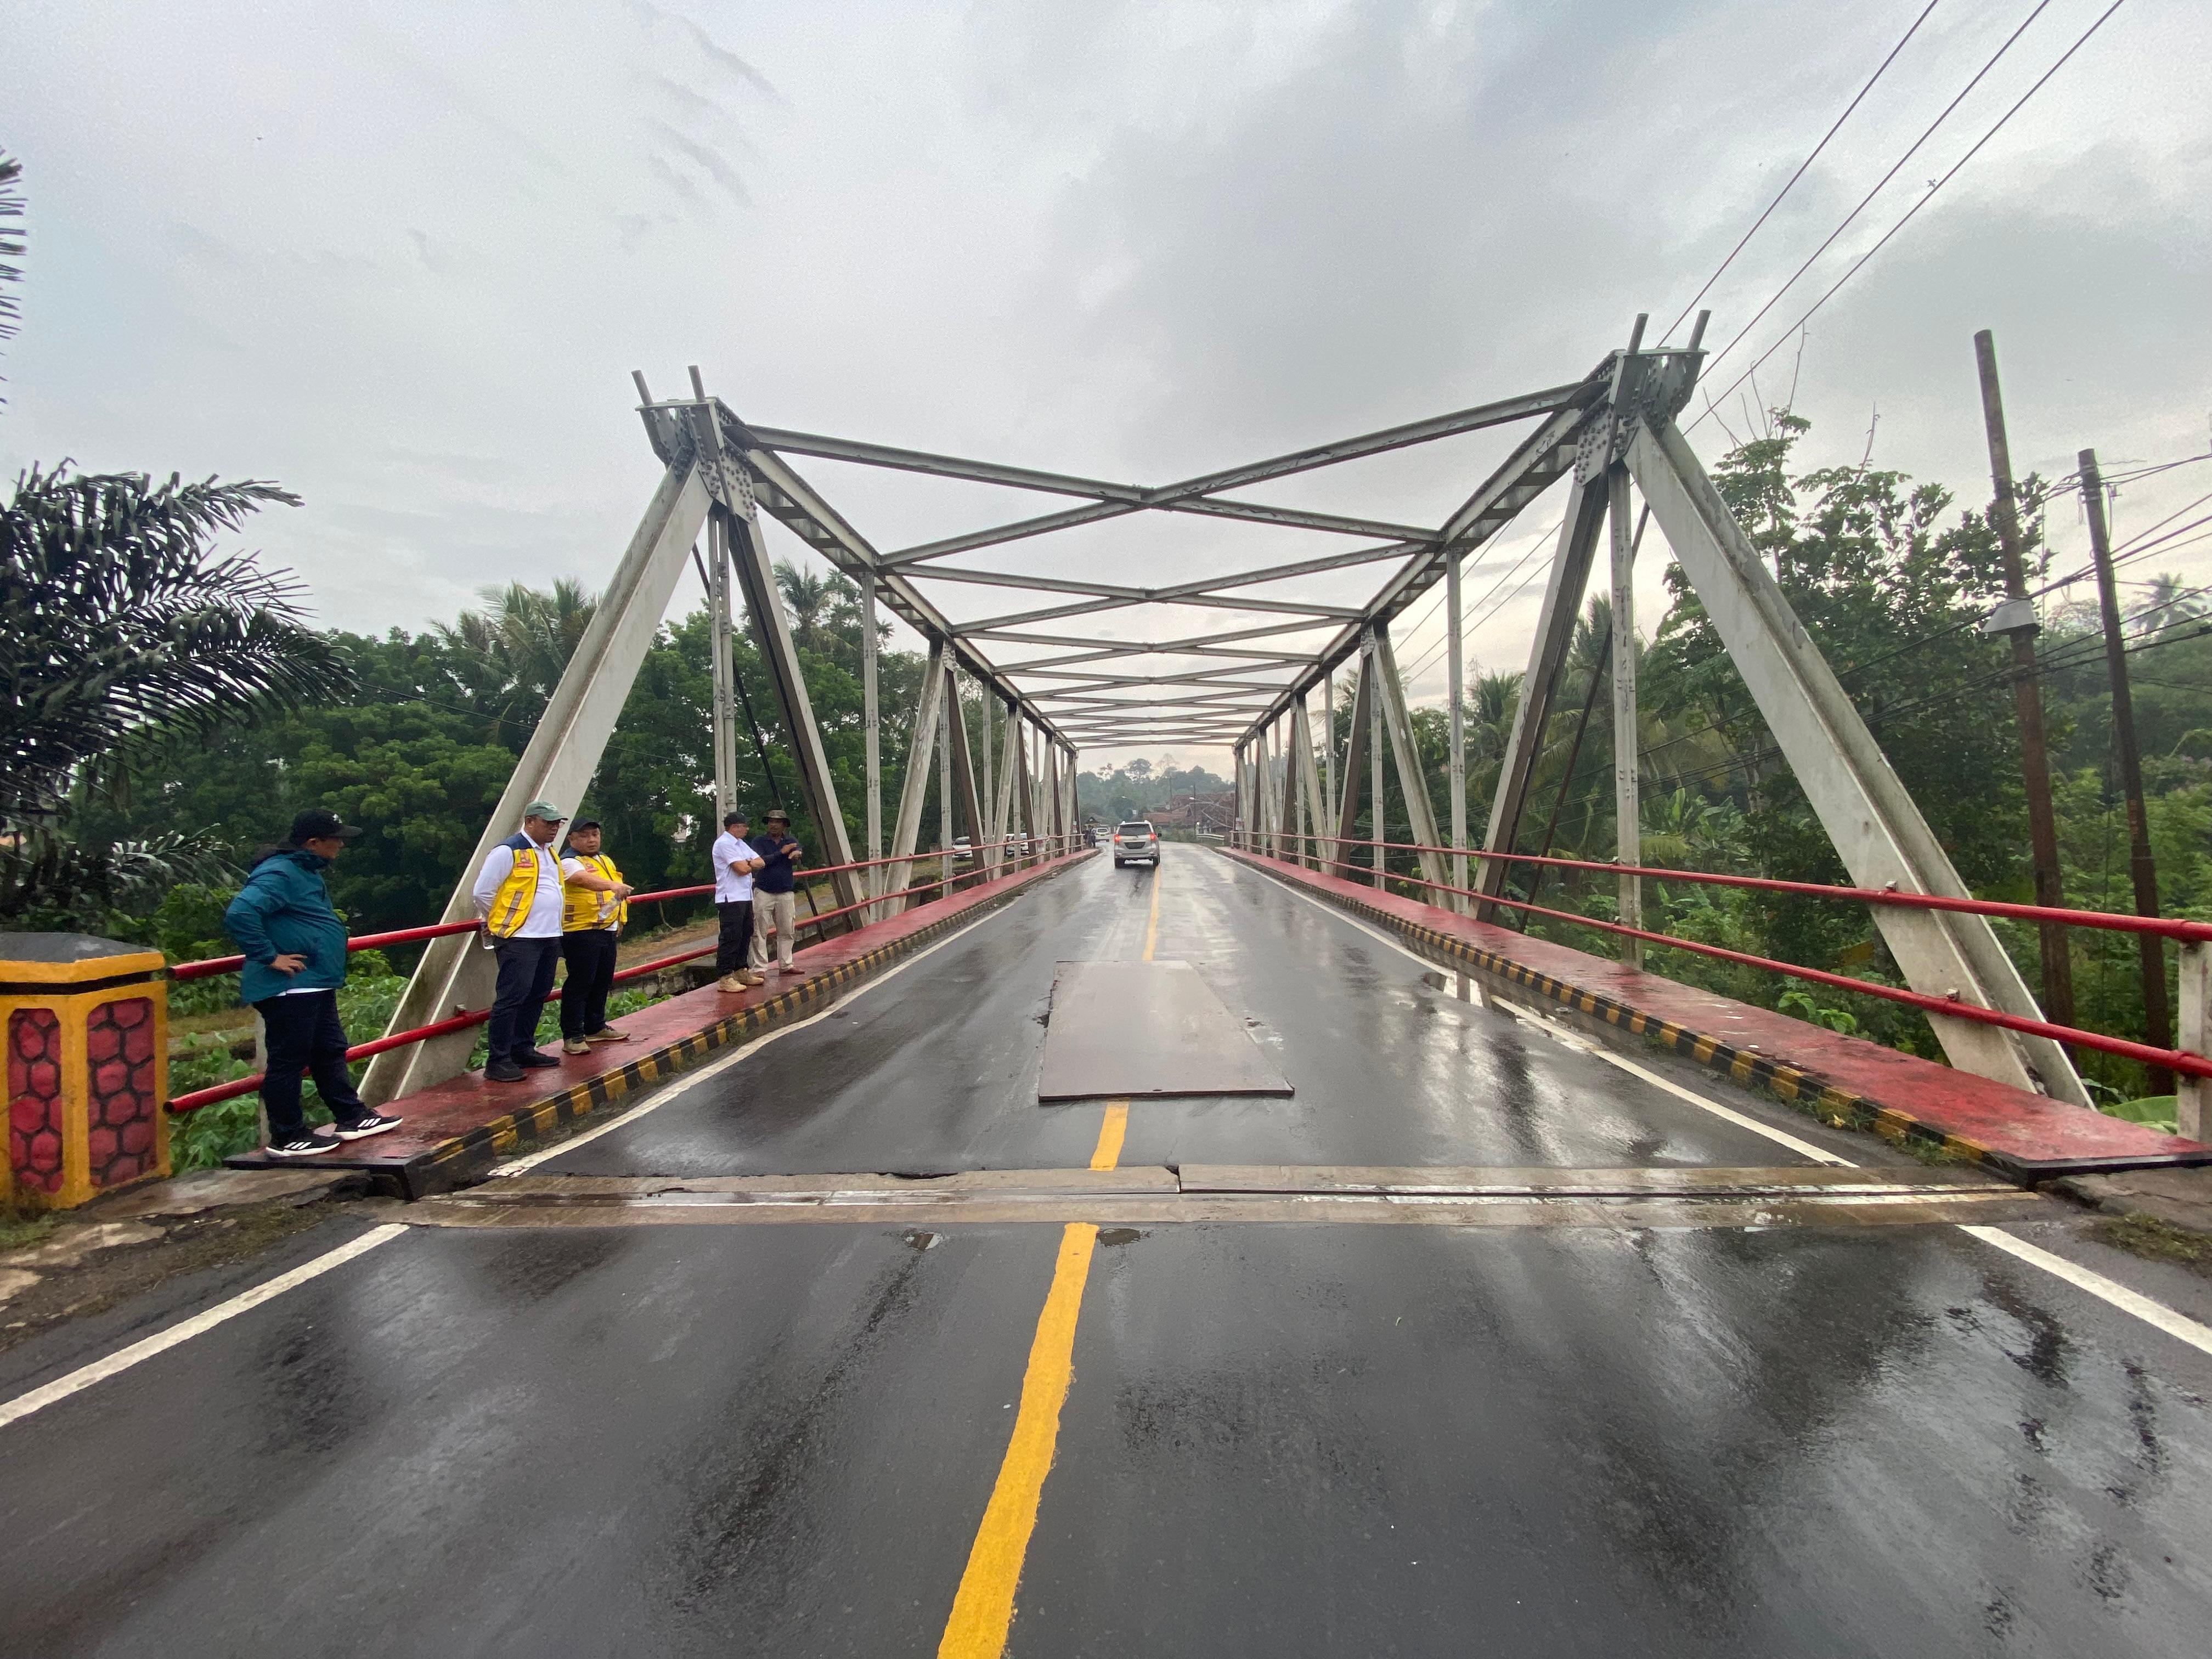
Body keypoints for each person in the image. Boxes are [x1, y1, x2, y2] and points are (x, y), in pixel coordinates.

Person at [223, 808, 403, 1158]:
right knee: (289, 1059)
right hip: (291, 985)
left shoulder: (303, 871)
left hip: (315, 981)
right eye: (336, 839)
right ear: (313, 843)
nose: (341, 846)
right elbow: (241, 913)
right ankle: (288, 1135)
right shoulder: (280, 873)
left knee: (329, 1049)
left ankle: (350, 1115)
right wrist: (270, 956)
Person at [471, 799, 571, 1082]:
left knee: (537, 994)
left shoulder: (549, 853)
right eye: (548, 823)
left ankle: (523, 1049)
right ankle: (499, 1060)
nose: (554, 829)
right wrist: (503, 921)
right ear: (530, 822)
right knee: (512, 997)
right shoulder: (508, 851)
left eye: (557, 824)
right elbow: (482, 892)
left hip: (548, 935)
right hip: (520, 938)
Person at [556, 820, 636, 1054]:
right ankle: (573, 1035)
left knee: (602, 981)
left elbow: (619, 889)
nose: (592, 840)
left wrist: (620, 920)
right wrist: (612, 885)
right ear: (571, 838)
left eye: (595, 834)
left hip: (606, 929)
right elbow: (585, 880)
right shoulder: (568, 862)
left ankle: (595, 1026)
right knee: (580, 983)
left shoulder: (604, 860)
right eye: (584, 836)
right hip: (581, 930)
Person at [711, 809, 767, 993]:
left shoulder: (740, 844)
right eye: (744, 826)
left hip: (744, 895)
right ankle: (725, 976)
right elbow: (742, 869)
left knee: (745, 932)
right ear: (735, 827)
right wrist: (749, 863)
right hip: (730, 897)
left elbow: (761, 862)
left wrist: (748, 863)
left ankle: (740, 969)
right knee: (731, 936)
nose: (747, 829)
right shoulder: (724, 844)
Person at [752, 807, 805, 977]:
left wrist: (797, 853)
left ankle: (786, 964)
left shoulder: (790, 840)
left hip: (785, 892)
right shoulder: (759, 842)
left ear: (784, 826)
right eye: (771, 822)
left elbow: (798, 849)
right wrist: (781, 853)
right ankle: (759, 968)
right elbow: (758, 861)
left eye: (778, 822)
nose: (773, 825)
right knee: (759, 931)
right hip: (763, 891)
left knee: (788, 930)